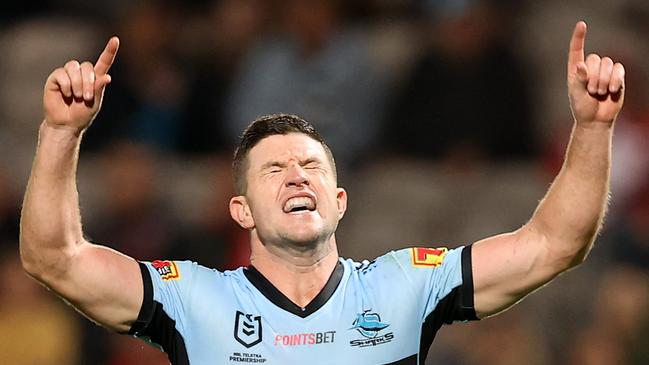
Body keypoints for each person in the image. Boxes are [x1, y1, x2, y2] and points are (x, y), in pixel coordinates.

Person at [19, 21, 625, 364]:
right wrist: (60, 132)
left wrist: (594, 128)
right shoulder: (192, 299)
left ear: (339, 200)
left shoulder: (406, 285)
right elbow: (54, 258)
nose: (296, 174)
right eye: (272, 169)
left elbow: (554, 244)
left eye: (311, 165)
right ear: (242, 211)